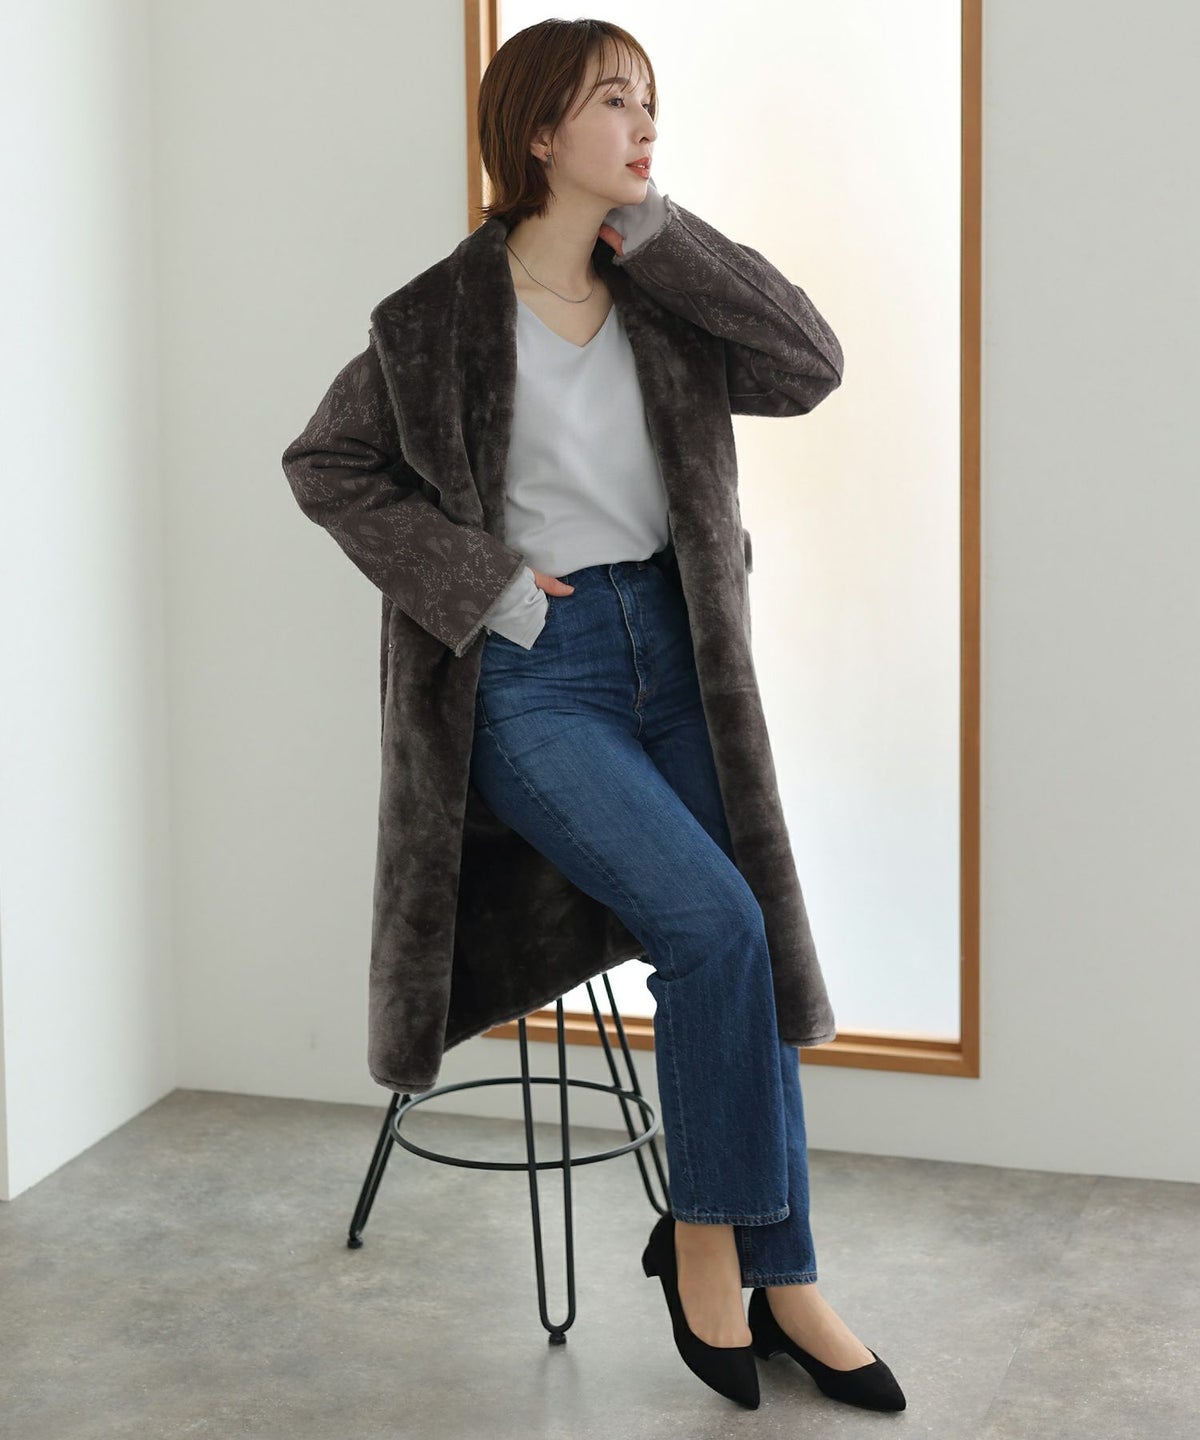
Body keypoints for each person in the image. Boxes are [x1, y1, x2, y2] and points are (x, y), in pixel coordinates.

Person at [465, 19, 905, 1414]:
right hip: (539, 676)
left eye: (651, 102)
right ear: (541, 132)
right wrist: (480, 582)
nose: (646, 124)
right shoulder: (443, 315)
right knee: (714, 924)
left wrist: (660, 233)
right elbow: (329, 464)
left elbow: (809, 361)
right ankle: (708, 1238)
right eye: (614, 102)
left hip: (679, 651)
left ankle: (788, 1277)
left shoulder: (659, 289)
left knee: (745, 938)